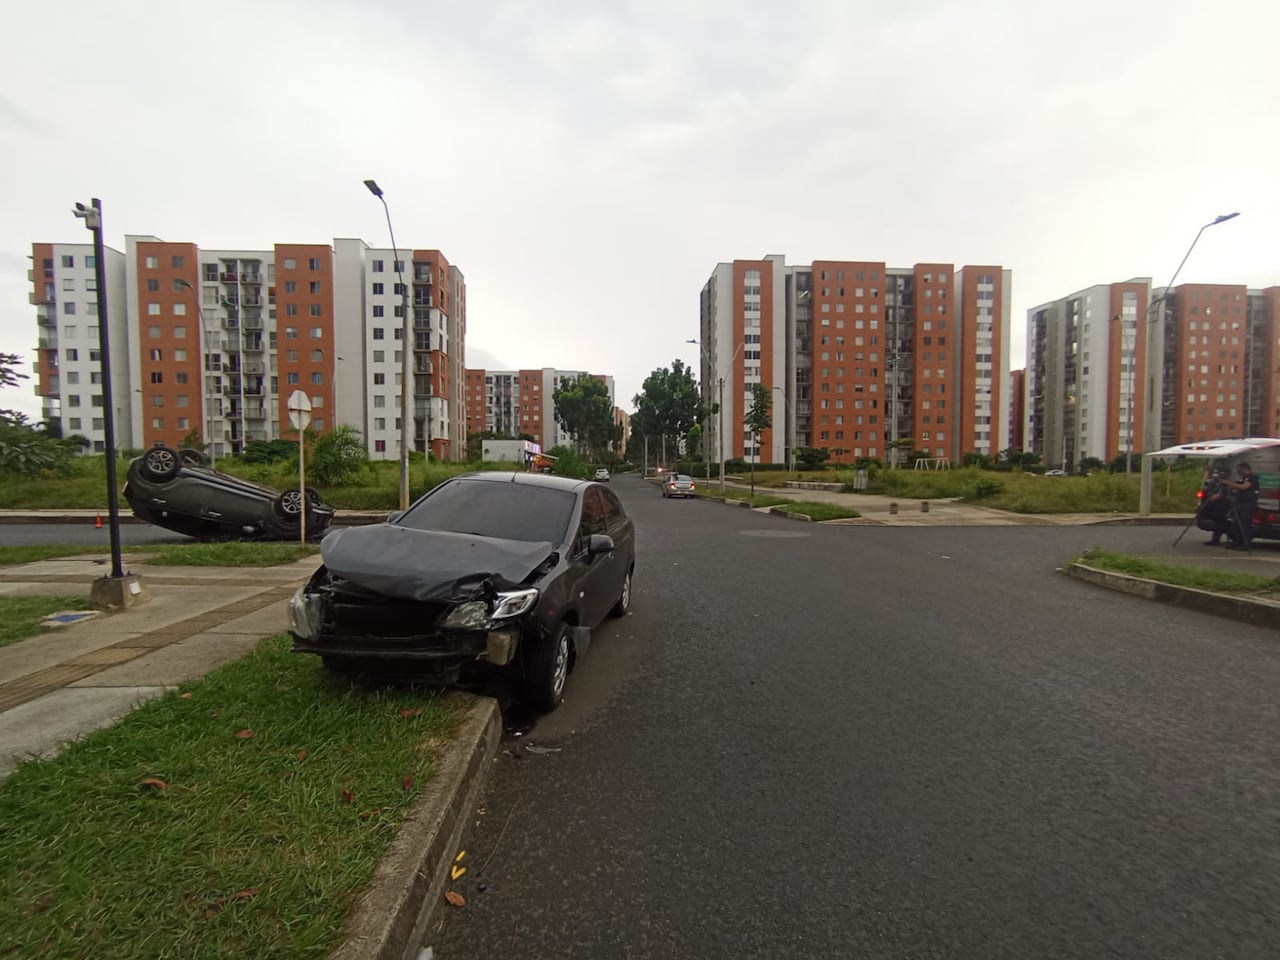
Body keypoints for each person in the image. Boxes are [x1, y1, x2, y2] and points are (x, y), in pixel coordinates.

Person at [1220, 462, 1260, 550]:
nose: (1238, 472)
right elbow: (1236, 485)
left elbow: (1244, 487)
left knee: (1245, 524)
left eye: (1240, 470)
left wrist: (1229, 483)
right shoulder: (1243, 478)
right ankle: (1237, 540)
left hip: (1248, 504)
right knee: (1236, 523)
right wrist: (1226, 483)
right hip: (1240, 503)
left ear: (1245, 469)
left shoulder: (1252, 478)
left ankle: (1245, 543)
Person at [1198, 469, 1232, 545]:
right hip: (1215, 505)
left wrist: (1210, 499)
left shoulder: (1225, 483)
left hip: (1223, 505)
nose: (1215, 476)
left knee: (1221, 521)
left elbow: (1220, 494)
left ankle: (1227, 538)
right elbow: (1207, 491)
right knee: (1219, 521)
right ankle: (1216, 539)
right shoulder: (1212, 482)